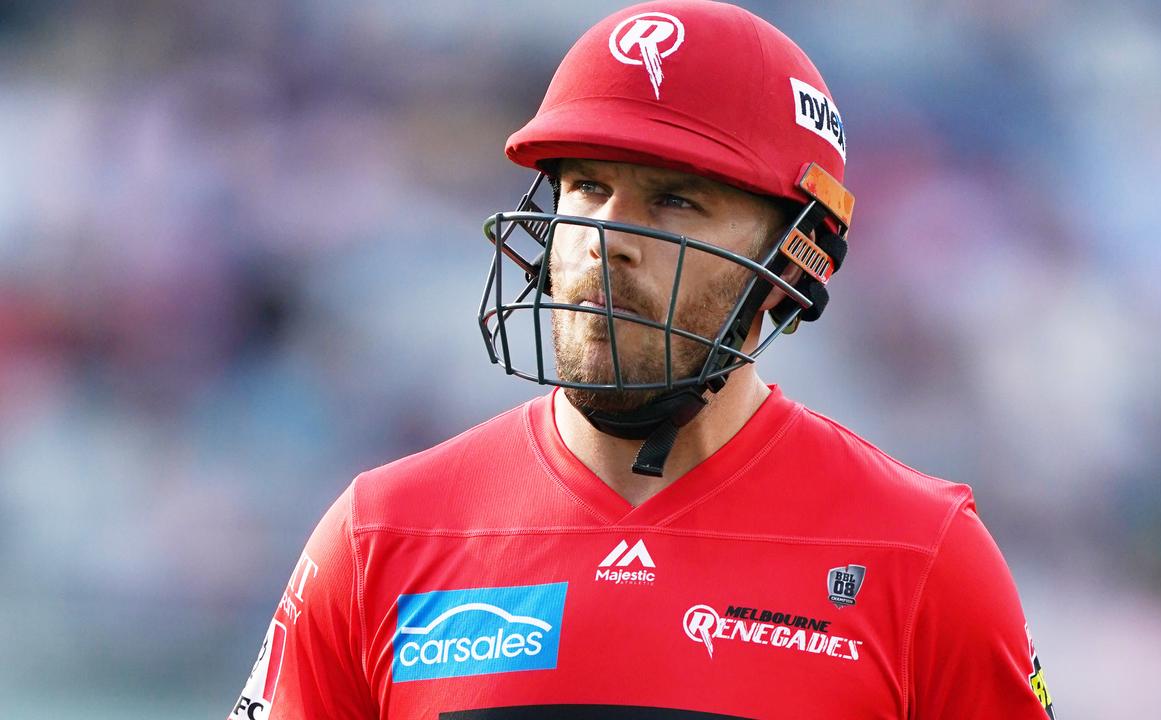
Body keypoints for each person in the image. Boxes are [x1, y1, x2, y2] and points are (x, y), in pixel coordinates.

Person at [230, 1, 1056, 718]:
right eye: (587, 186)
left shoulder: (920, 559)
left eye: (675, 200)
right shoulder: (382, 535)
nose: (606, 241)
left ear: (797, 259)